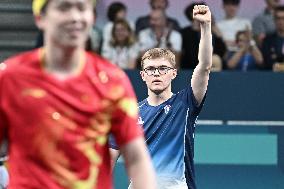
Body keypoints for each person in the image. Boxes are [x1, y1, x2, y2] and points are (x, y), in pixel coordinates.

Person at [0, 1, 156, 189]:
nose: (75, 17)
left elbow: (137, 158)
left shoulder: (113, 81)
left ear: (92, 18)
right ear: (40, 18)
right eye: (64, 8)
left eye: (82, 8)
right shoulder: (10, 77)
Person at [110, 4, 213, 189]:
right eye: (150, 69)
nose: (156, 73)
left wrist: (205, 27)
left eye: (163, 68)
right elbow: (109, 158)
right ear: (142, 75)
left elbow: (204, 66)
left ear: (174, 73)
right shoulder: (130, 114)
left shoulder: (186, 103)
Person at [262, 5, 284, 71]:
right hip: (273, 77)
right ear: (274, 20)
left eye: (283, 18)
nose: (281, 21)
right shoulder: (267, 40)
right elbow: (268, 62)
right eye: (278, 18)